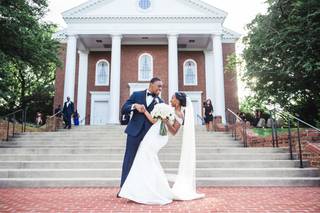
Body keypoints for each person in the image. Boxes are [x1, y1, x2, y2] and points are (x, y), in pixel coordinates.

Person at [119, 92, 205, 205]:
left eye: (173, 98)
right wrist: (145, 111)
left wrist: (166, 122)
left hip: (160, 137)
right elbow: (154, 121)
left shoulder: (180, 114)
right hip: (151, 134)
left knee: (146, 158)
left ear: (178, 101)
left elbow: (174, 132)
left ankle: (150, 190)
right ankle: (141, 190)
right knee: (144, 159)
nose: (171, 99)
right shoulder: (165, 108)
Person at [119, 77, 164, 192]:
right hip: (134, 132)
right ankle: (124, 189)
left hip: (149, 136)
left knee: (147, 161)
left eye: (161, 87)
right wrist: (135, 106)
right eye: (158, 86)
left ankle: (144, 190)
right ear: (151, 84)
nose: (160, 88)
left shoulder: (161, 102)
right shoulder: (136, 95)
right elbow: (124, 108)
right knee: (129, 159)